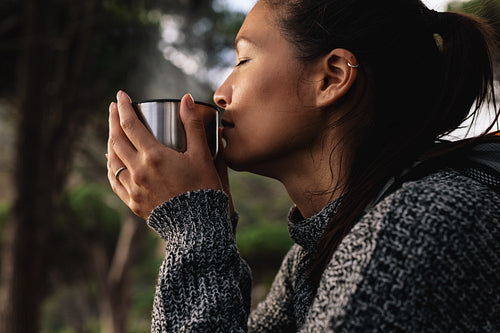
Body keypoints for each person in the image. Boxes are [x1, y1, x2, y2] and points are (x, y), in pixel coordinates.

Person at [107, 0, 500, 331]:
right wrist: (209, 219)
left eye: (243, 59)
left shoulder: (425, 223)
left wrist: (191, 224)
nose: (220, 93)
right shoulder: (310, 260)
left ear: (331, 78)